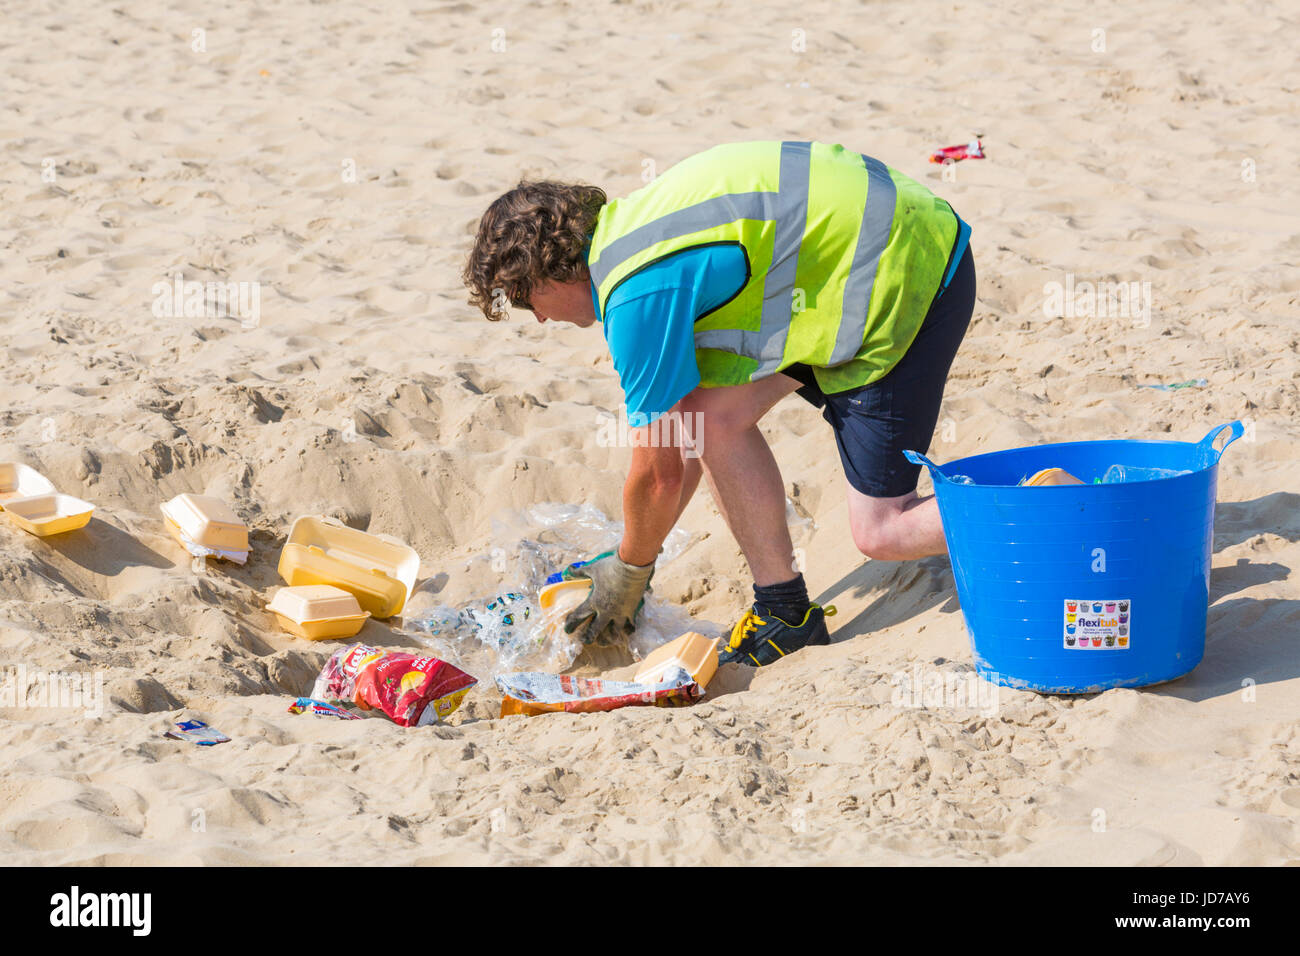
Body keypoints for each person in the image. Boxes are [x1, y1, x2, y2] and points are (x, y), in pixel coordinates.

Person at [462, 140, 975, 666]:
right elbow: (682, 443)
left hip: (907, 267)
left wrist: (630, 569)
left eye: (527, 302)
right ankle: (786, 614)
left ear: (546, 274)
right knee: (713, 421)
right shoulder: (630, 231)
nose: (539, 319)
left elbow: (658, 473)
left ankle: (1046, 507)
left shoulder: (635, 299)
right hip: (855, 245)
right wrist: (634, 558)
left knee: (881, 530)